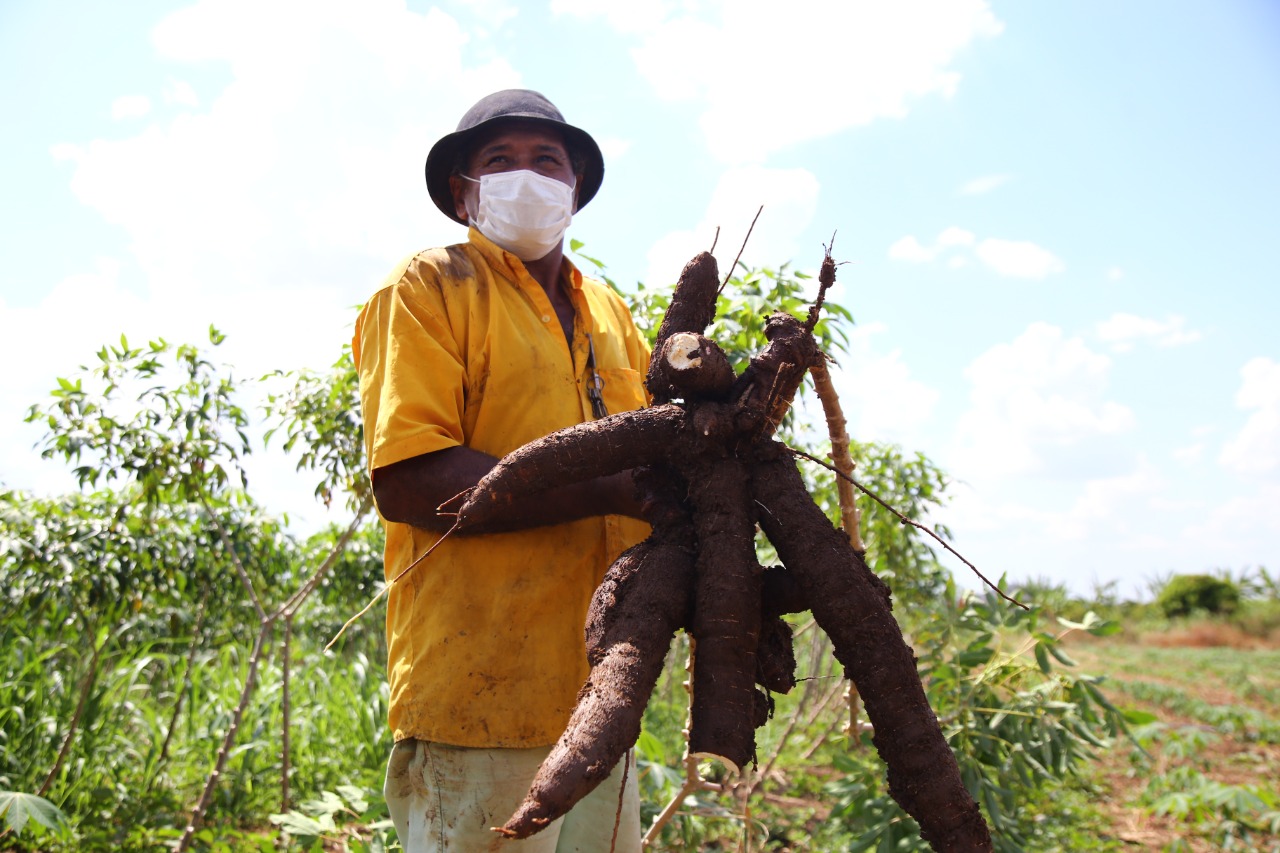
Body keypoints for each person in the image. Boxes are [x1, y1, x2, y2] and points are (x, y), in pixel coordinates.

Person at [352, 89, 652, 852]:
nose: (527, 176)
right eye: (499, 161)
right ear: (463, 191)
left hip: (603, 702)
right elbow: (411, 478)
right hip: (479, 699)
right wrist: (608, 486)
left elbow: (662, 459)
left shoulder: (612, 315)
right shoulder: (427, 288)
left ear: (575, 185)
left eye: (546, 160)